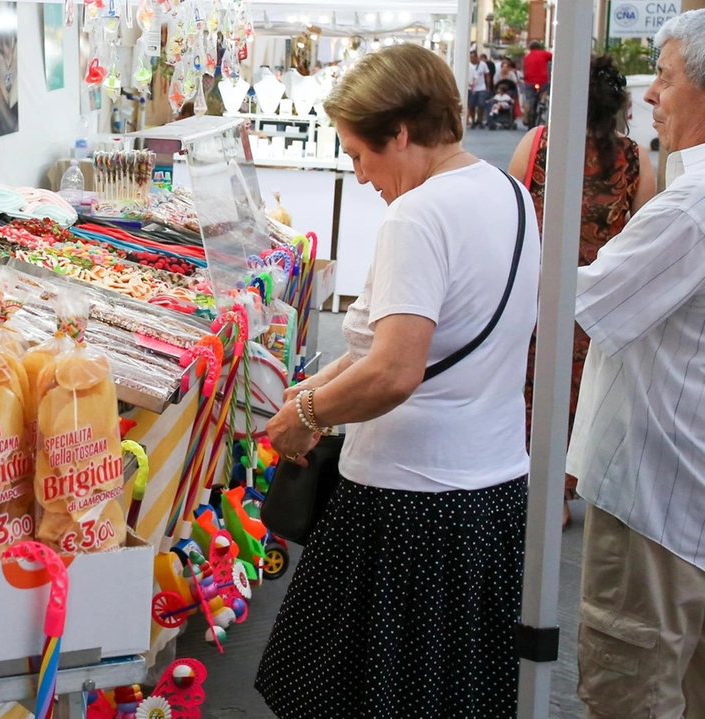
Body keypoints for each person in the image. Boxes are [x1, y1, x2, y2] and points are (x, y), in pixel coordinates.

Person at [255, 44, 540, 718]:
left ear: (402, 133)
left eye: (358, 154)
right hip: (490, 490)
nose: (357, 176)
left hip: (408, 501)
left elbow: (395, 368)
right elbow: (435, 340)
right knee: (451, 693)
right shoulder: (510, 192)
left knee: (359, 693)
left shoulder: (417, 216)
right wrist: (314, 387)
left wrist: (309, 412)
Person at [565, 10, 705, 717]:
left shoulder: (692, 207)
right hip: (684, 496)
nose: (653, 94)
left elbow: (581, 300)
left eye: (669, 79)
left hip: (660, 501)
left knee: (634, 691)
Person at [508, 54, 656, 528]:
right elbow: (643, 243)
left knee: (528, 391)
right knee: (581, 397)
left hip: (535, 298)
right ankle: (564, 491)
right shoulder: (635, 159)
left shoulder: (537, 144)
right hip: (594, 305)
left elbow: (511, 220)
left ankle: (528, 485)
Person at [522, 40, 553, 125]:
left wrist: (524, 77)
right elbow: (554, 58)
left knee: (528, 99)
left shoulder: (527, 57)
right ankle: (542, 102)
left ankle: (526, 117)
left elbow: (524, 68)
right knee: (545, 90)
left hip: (529, 80)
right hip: (542, 80)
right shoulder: (544, 54)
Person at [468, 49, 489, 127]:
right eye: (470, 57)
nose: (471, 59)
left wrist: (488, 86)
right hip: (472, 88)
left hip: (481, 87)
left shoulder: (483, 64)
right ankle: (473, 120)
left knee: (481, 104)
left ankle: (480, 120)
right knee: (472, 105)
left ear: (477, 57)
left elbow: (487, 75)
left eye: (472, 57)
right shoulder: (469, 65)